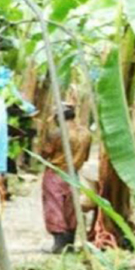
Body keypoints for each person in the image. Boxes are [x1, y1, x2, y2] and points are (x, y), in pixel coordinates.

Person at [36, 104, 91, 253]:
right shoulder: (85, 133)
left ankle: (59, 244)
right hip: (73, 174)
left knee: (54, 206)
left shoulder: (57, 133)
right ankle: (69, 243)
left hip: (56, 172)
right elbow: (85, 157)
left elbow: (45, 153)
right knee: (71, 208)